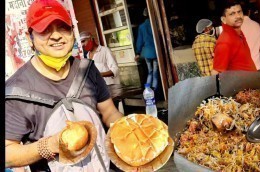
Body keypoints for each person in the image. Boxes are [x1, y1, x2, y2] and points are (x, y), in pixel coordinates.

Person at [5, 0, 123, 171]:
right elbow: (8, 154)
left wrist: (127, 132)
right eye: (45, 29)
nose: (56, 36)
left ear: (72, 33)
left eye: (62, 27)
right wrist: (48, 145)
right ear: (29, 38)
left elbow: (109, 112)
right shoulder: (17, 90)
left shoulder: (87, 70)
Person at [211, 1, 257, 75]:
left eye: (239, 12)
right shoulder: (225, 41)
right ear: (223, 19)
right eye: (232, 14)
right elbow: (216, 73)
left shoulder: (238, 33)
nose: (238, 16)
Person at [135, 8, 159, 91]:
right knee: (155, 73)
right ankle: (155, 91)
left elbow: (139, 41)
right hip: (155, 52)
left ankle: (148, 90)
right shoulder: (155, 24)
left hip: (146, 53)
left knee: (150, 72)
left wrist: (138, 52)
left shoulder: (141, 27)